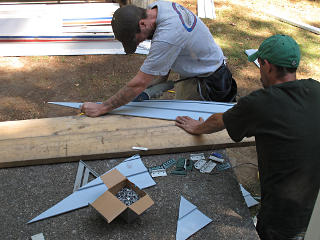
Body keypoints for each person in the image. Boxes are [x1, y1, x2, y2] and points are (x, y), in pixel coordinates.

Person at [175, 34, 320, 240]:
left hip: (282, 218)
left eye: (259, 65)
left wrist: (197, 127)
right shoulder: (316, 89)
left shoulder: (261, 103)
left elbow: (219, 121)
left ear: (267, 65)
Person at [81, 1, 237, 117]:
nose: (140, 42)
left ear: (142, 24)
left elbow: (139, 83)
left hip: (208, 80)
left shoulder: (168, 34)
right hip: (197, 70)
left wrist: (102, 107)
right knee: (178, 116)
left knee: (190, 123)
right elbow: (173, 48)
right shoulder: (159, 8)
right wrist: (161, 80)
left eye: (136, 39)